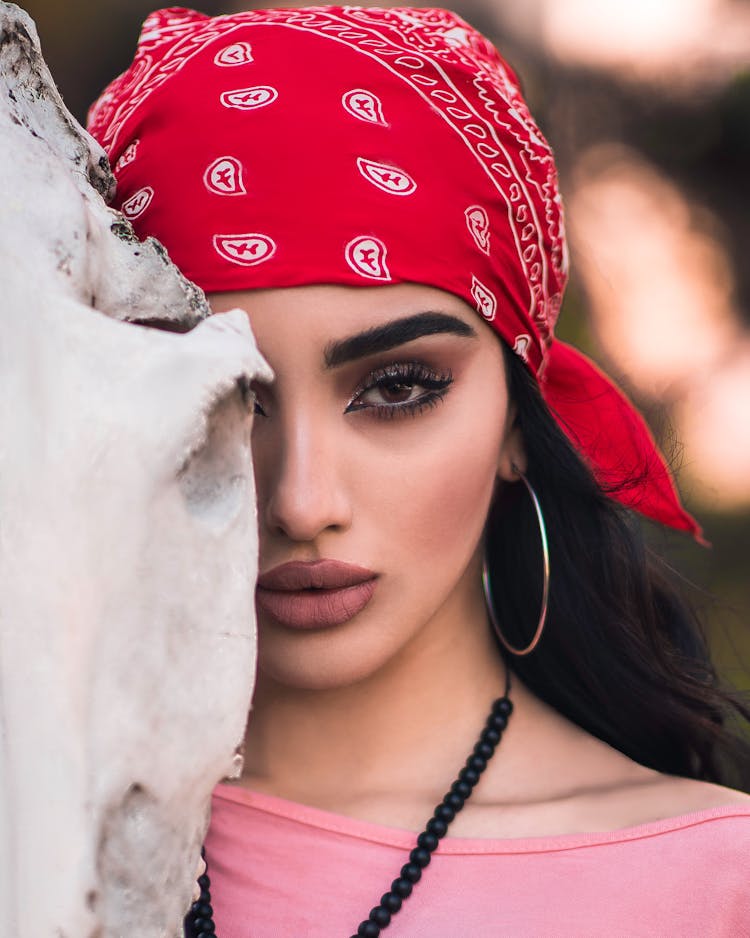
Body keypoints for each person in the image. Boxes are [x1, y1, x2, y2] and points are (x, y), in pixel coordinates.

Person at [88, 6, 750, 935]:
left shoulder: (716, 884)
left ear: (520, 417)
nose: (303, 502)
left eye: (397, 388)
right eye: (230, 398)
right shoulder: (45, 840)